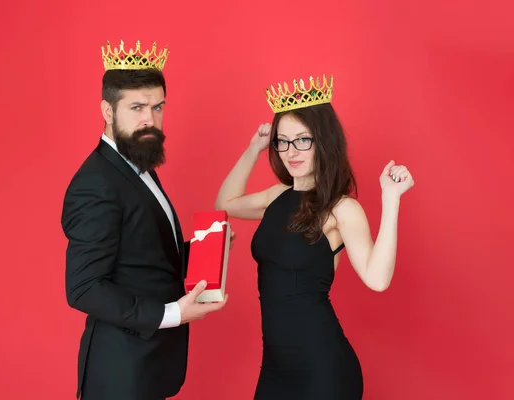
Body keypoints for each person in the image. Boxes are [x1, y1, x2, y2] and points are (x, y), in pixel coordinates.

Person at [215, 74, 414, 399]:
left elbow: (377, 279)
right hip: (275, 366)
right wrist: (254, 149)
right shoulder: (275, 196)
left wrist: (391, 200)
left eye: (303, 140)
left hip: (322, 368)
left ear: (323, 142)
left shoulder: (340, 208)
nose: (290, 151)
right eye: (282, 141)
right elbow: (224, 203)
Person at [61, 40, 228, 400]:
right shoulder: (96, 184)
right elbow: (83, 288)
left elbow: (146, 255)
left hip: (150, 366)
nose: (149, 119)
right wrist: (171, 314)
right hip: (121, 372)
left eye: (157, 107)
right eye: (136, 107)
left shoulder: (139, 163)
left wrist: (205, 249)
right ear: (108, 110)